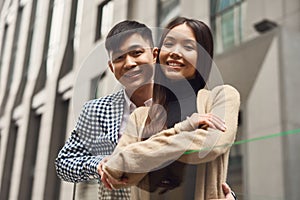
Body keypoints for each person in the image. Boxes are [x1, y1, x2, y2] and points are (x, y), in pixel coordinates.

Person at [55, 19, 237, 199]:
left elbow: (211, 147)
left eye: (136, 53)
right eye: (119, 57)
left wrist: (134, 155)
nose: (129, 63)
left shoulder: (219, 97)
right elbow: (111, 169)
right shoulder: (121, 114)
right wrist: (100, 165)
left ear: (153, 55)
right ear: (111, 67)